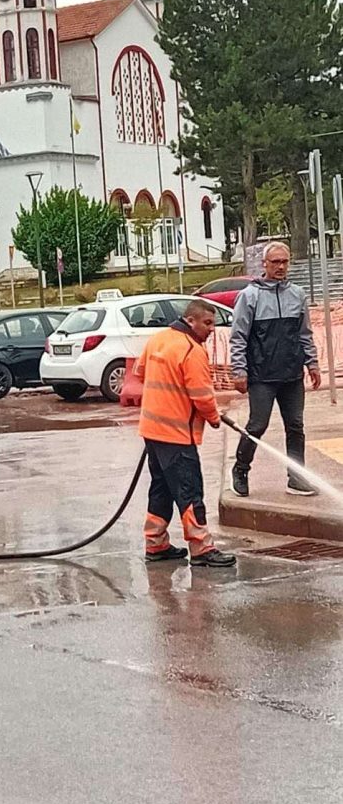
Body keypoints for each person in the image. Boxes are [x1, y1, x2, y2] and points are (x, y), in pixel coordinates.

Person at [136, 298, 236, 568]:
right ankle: (202, 548)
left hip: (152, 430)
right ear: (190, 321)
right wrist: (213, 418)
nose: (211, 329)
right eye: (207, 323)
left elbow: (141, 372)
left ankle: (155, 544)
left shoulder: (158, 339)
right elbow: (202, 395)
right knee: (189, 490)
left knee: (162, 488)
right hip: (177, 434)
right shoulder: (192, 350)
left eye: (213, 324)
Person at [229, 241, 321, 498]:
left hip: (292, 374)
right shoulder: (250, 296)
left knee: (296, 426)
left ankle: (296, 478)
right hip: (262, 376)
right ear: (265, 264)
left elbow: (304, 333)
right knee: (258, 424)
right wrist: (239, 371)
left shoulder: (297, 294)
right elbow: (238, 337)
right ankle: (240, 469)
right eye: (275, 262)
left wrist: (312, 363)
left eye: (284, 262)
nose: (280, 266)